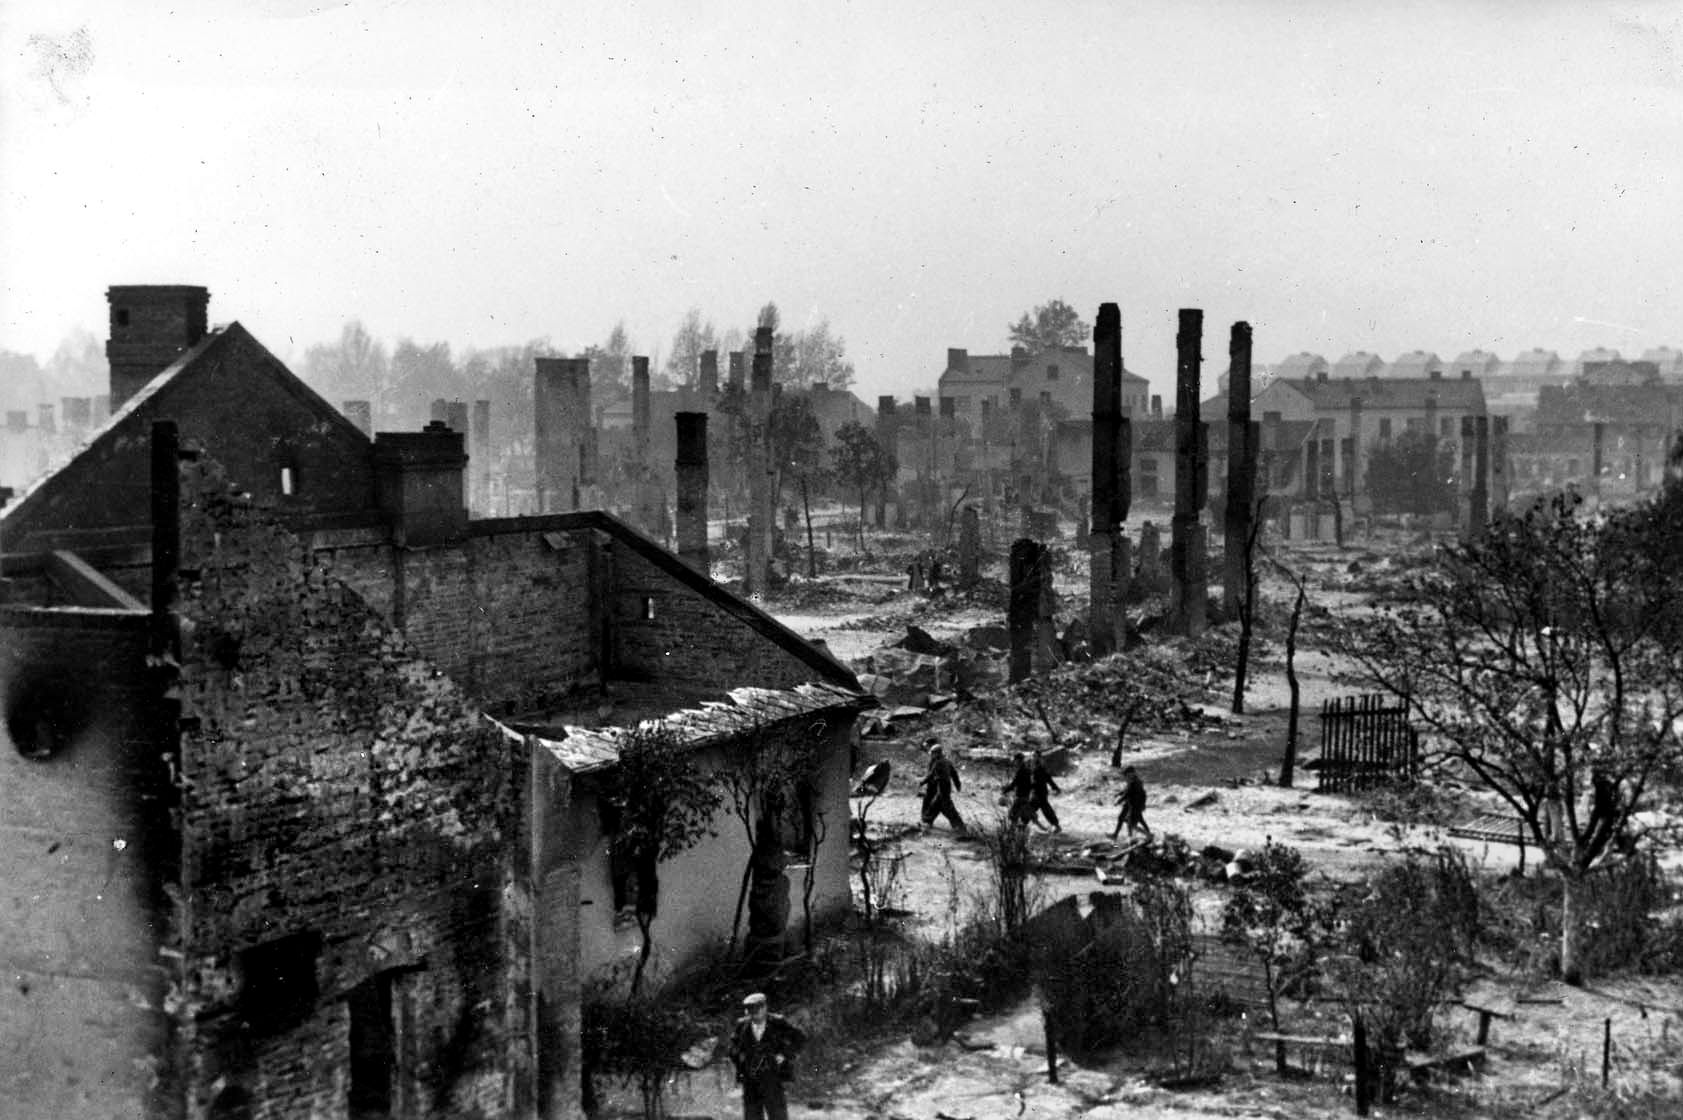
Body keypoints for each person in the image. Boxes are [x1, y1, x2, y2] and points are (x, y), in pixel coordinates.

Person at [728, 992, 807, 1120]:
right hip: (750, 1079)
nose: (754, 1014)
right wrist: (741, 1059)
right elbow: (733, 1048)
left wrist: (784, 1055)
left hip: (772, 1076)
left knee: (777, 1114)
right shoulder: (742, 1025)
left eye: (756, 1010)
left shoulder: (777, 1022)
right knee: (752, 1115)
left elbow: (800, 1039)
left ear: (764, 1008)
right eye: (750, 1011)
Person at [918, 741, 968, 834]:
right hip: (946, 787)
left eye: (932, 753)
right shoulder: (947, 761)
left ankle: (960, 827)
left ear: (937, 754)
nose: (931, 755)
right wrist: (958, 785)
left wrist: (922, 782)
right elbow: (954, 774)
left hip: (942, 787)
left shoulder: (938, 763)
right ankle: (926, 821)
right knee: (935, 805)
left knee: (948, 807)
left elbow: (931, 775)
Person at [1111, 765, 1152, 841]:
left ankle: (1146, 835)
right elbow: (1127, 790)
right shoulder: (1132, 781)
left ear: (1132, 773)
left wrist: (1119, 801)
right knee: (1125, 819)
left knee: (1134, 821)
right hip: (1131, 804)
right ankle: (1118, 835)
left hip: (1135, 804)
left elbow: (1129, 793)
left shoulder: (1136, 782)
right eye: (1125, 775)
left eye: (1127, 774)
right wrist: (1119, 794)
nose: (1125, 776)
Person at [1001, 752, 1040, 829]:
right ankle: (1021, 830)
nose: (1014, 762)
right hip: (1026, 797)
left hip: (1020, 797)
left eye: (1015, 760)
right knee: (1023, 816)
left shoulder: (1020, 771)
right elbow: (1031, 784)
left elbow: (1014, 784)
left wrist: (1005, 790)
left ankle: (1012, 832)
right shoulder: (1028, 770)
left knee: (1012, 816)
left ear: (1018, 760)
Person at [1029, 749, 1061, 833]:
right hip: (1037, 793)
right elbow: (1048, 779)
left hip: (1039, 794)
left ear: (1039, 757)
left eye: (1034, 756)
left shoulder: (1039, 768)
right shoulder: (1033, 767)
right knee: (1034, 810)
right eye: (1032, 756)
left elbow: (1047, 779)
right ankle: (1051, 827)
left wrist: (1055, 788)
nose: (1032, 758)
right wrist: (1055, 788)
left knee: (1043, 810)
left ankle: (1053, 827)